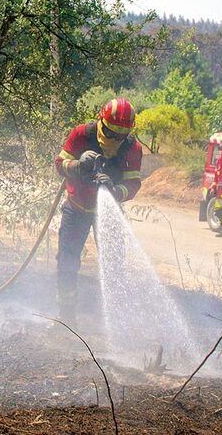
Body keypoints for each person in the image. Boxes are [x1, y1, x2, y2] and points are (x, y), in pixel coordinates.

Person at [53, 97, 143, 323]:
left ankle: (114, 322)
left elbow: (133, 184)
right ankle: (67, 319)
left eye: (120, 136)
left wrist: (115, 191)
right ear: (100, 121)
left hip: (108, 213)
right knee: (67, 262)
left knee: (113, 265)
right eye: (111, 133)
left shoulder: (132, 148)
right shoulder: (82, 134)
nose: (114, 140)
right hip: (76, 209)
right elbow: (59, 164)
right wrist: (77, 165)